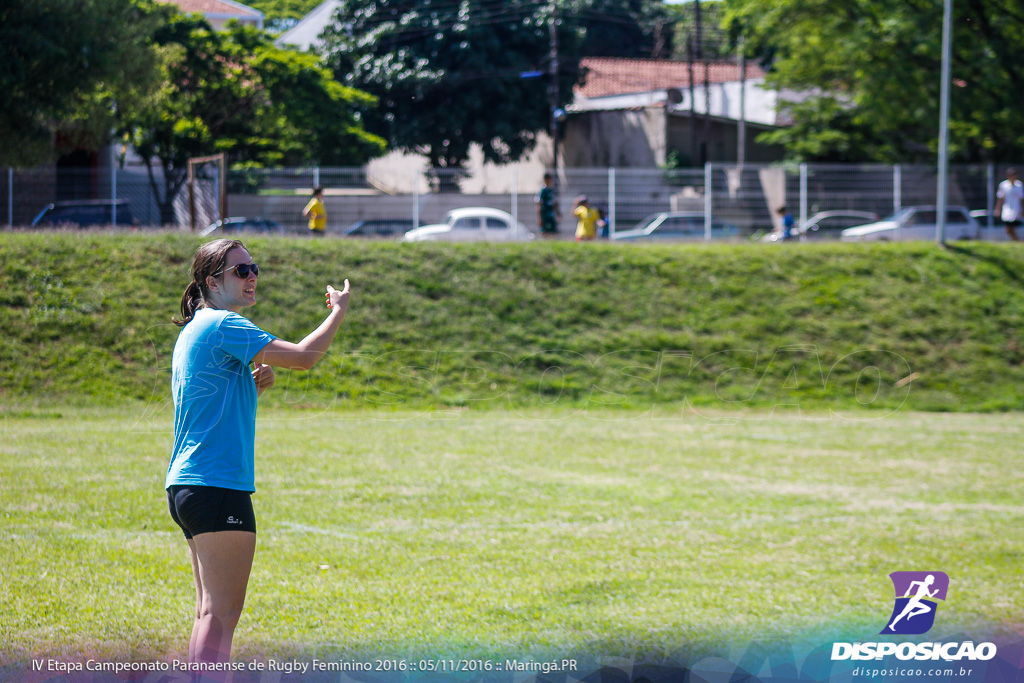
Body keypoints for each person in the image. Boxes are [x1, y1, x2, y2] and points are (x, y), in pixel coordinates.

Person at [167, 238, 350, 672]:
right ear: (213, 281)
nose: (252, 278)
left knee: (208, 613)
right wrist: (339, 310)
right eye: (240, 271)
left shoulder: (196, 328)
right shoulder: (224, 325)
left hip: (188, 485)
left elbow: (208, 405)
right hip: (216, 487)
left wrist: (251, 387)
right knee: (221, 616)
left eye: (254, 268)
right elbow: (304, 358)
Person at [995, 168, 1023, 241]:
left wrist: (1023, 209)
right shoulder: (1003, 185)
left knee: (1012, 227)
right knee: (1008, 228)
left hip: (1016, 209)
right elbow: (1000, 198)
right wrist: (997, 209)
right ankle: (1016, 241)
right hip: (1007, 209)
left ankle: (1016, 241)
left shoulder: (1019, 185)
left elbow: (1021, 199)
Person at [536, 172, 561, 237]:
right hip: (545, 214)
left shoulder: (552, 190)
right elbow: (539, 204)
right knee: (544, 232)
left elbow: (555, 203)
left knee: (553, 232)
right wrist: (540, 218)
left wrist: (558, 213)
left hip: (551, 215)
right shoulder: (542, 191)